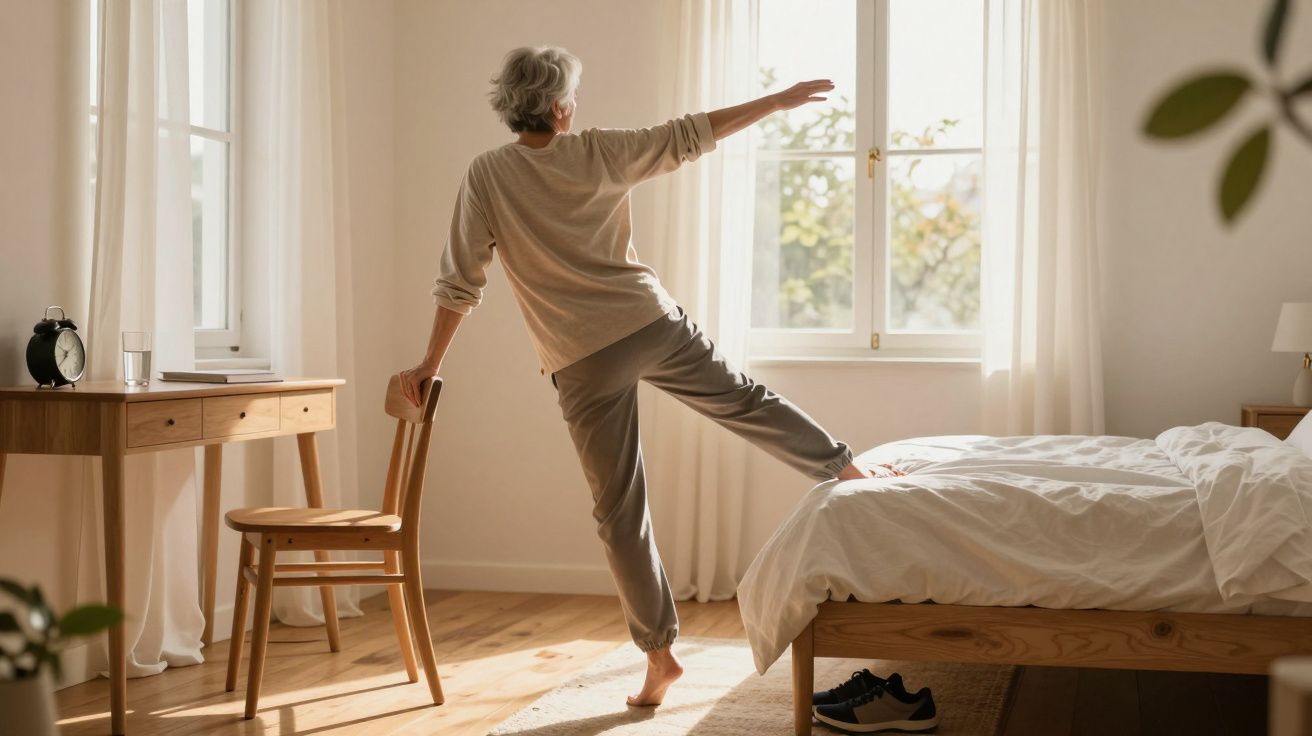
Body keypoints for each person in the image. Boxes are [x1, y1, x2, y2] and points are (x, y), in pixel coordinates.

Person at [399, 45, 874, 708]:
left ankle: (659, 657)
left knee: (620, 509)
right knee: (745, 402)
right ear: (562, 108)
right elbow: (691, 134)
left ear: (510, 107)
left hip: (579, 358)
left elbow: (460, 281)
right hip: (650, 324)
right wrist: (775, 100)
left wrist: (429, 365)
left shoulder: (487, 175)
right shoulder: (598, 150)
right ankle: (846, 470)